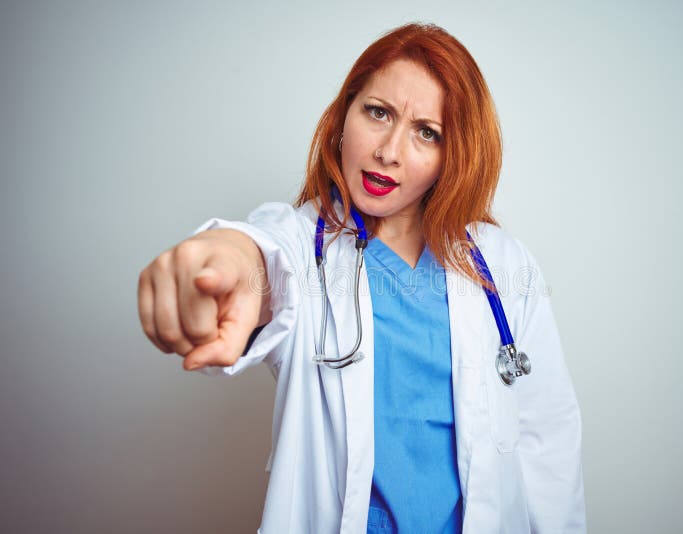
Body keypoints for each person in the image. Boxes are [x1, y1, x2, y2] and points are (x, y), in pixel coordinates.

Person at [138, 23, 585, 534]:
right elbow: (262, 255)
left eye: (427, 132)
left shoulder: (504, 265)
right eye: (379, 112)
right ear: (345, 115)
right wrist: (226, 256)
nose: (389, 151)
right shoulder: (304, 244)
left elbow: (549, 446)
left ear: (453, 155)